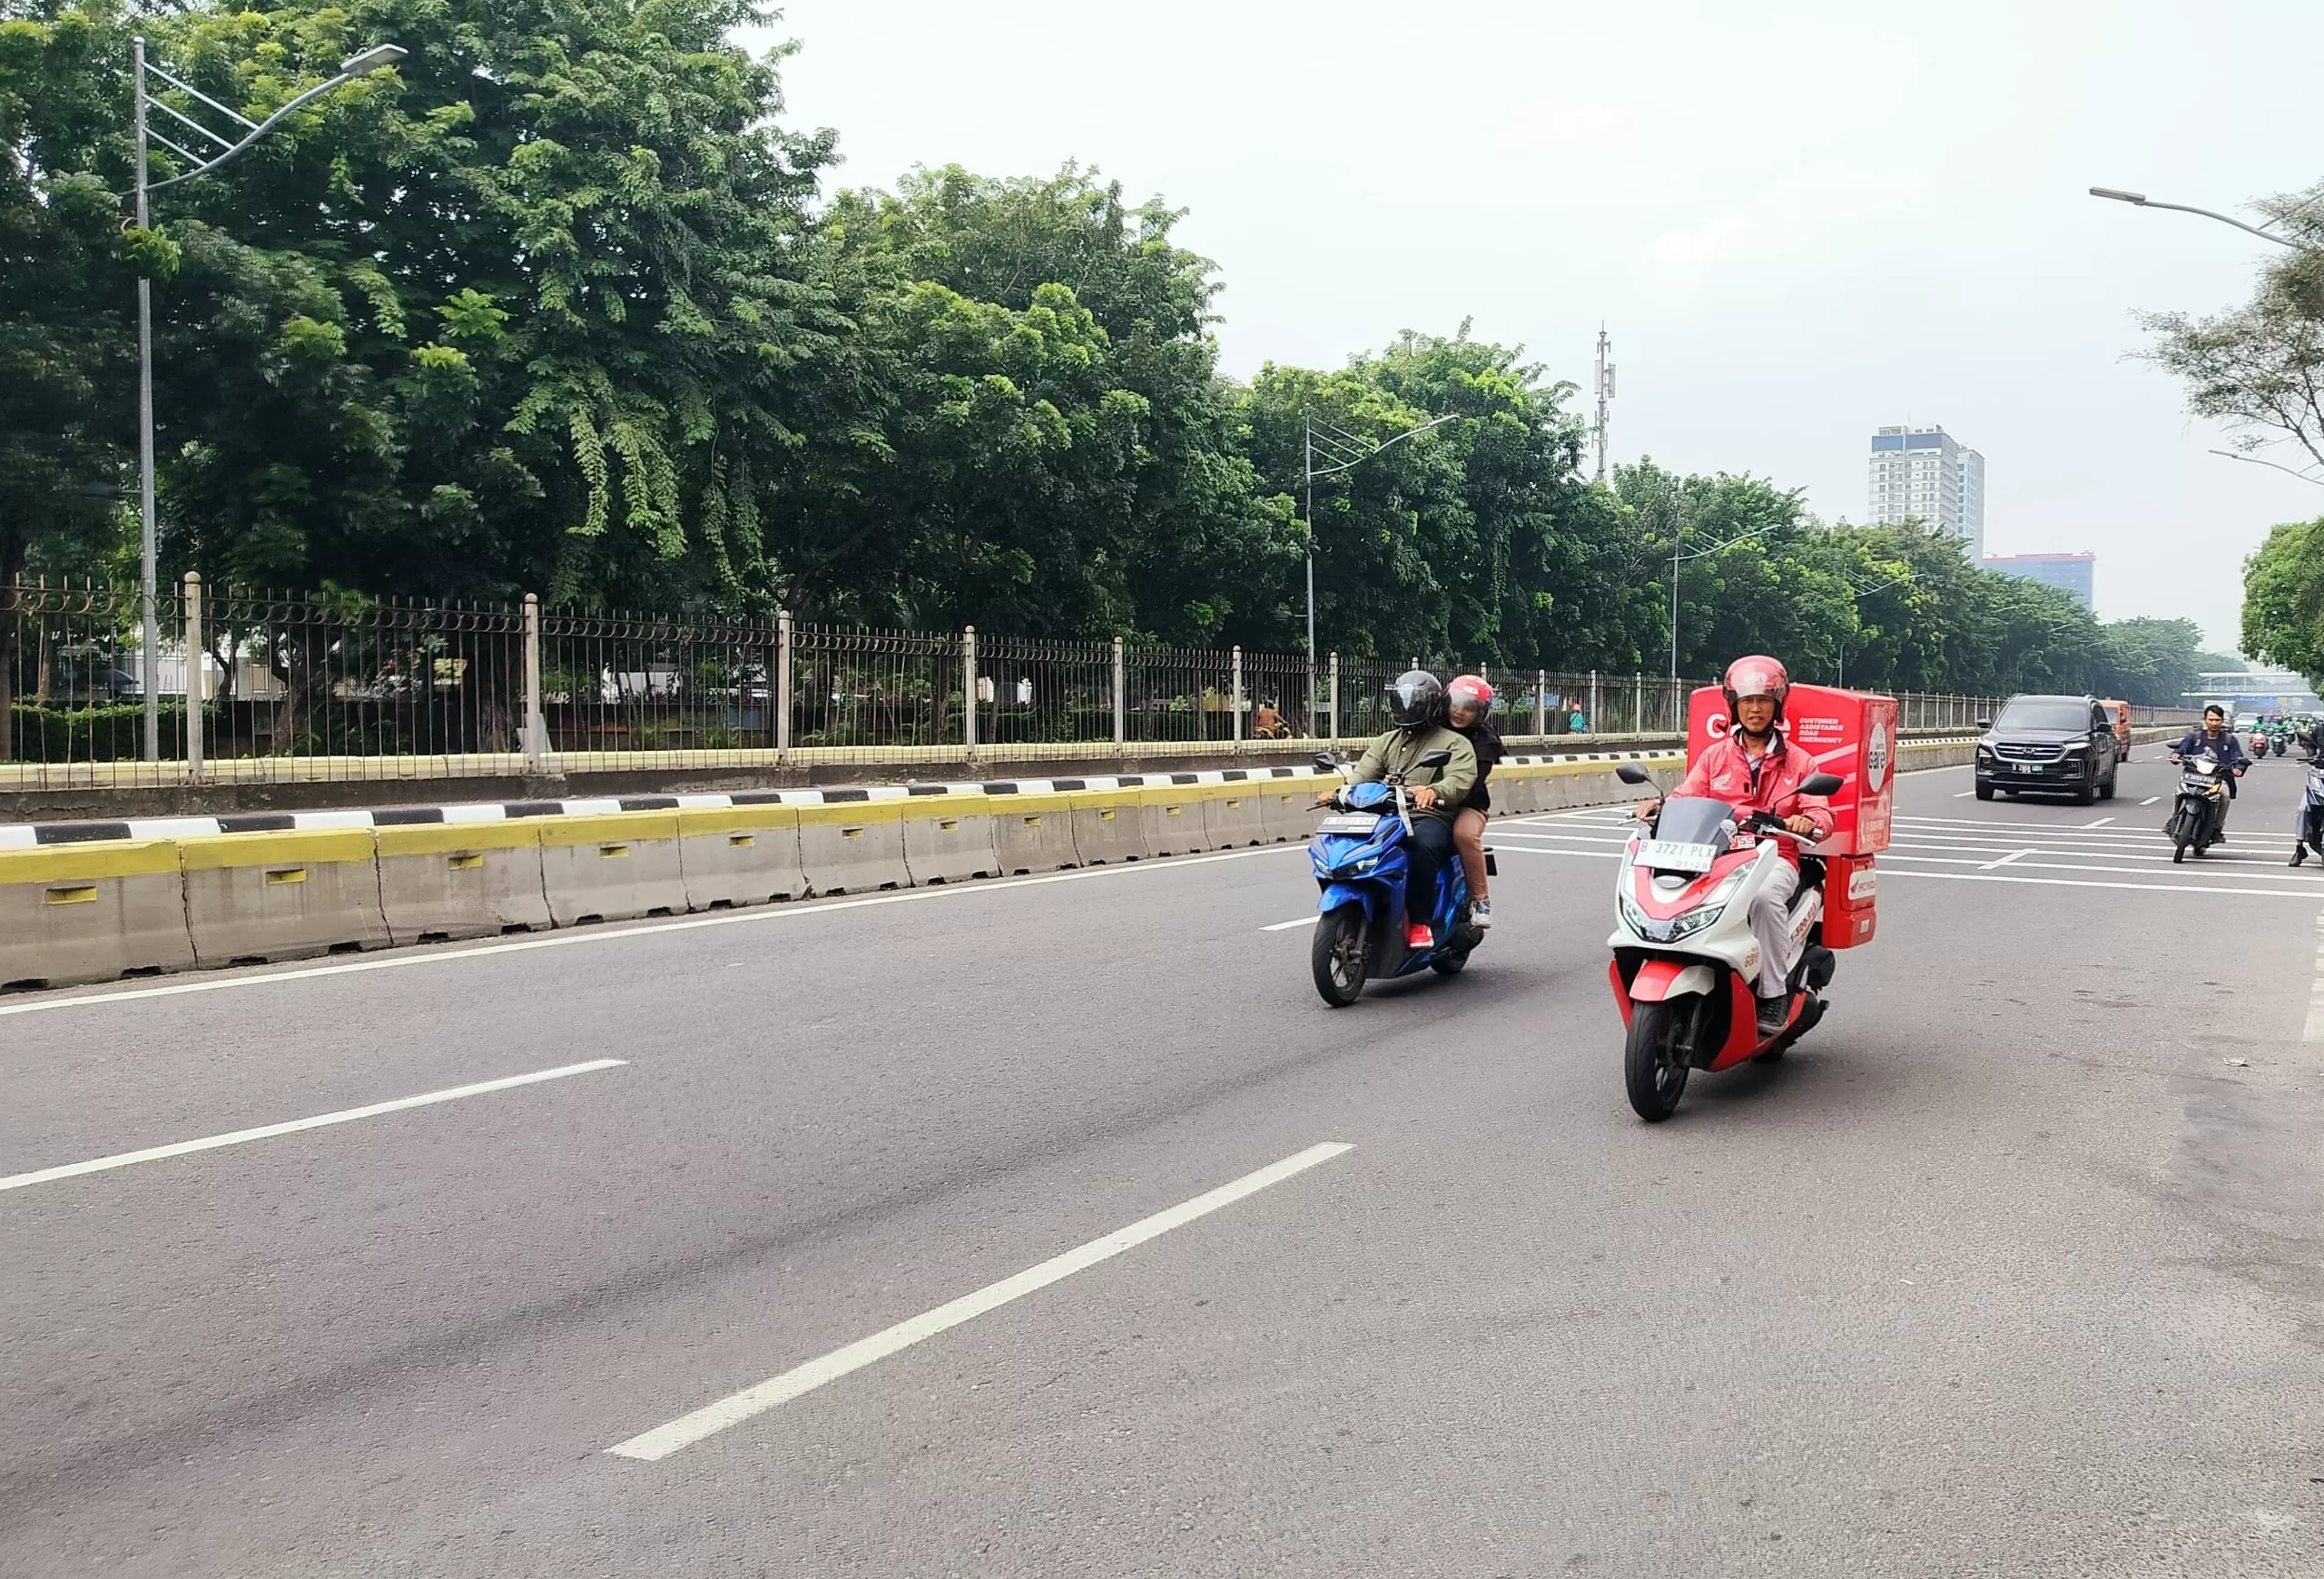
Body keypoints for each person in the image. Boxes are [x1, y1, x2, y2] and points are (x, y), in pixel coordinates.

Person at [1633, 655, 1835, 1036]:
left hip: (1774, 856)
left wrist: (1807, 822)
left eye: (1762, 700)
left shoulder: (1799, 762)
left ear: (1777, 705)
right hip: (1720, 855)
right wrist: (1659, 808)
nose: (1755, 709)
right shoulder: (1715, 756)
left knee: (1763, 899)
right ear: (1734, 706)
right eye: (1746, 701)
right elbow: (1685, 796)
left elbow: (1821, 814)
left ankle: (1773, 993)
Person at [1315, 670, 1478, 950]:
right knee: (1351, 842)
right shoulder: (1387, 741)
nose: (1407, 708)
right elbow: (1364, 772)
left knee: (1421, 846)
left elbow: (1459, 779)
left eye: (1414, 702)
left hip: (1428, 815)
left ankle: (1420, 922)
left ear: (1431, 704)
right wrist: (1341, 791)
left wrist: (1434, 791)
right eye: (1402, 701)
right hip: (1385, 814)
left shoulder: (1453, 742)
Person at [1446, 674, 1503, 928]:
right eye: (1455, 704)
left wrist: (1437, 792)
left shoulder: (1486, 741)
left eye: (1469, 708)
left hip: (1468, 803)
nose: (1459, 712)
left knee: (1465, 835)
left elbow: (1471, 783)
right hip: (1420, 799)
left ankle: (1481, 900)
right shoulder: (1432, 727)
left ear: (1481, 712)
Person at [2171, 705, 2248, 835]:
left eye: (2217, 720)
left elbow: (2237, 758)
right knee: (2179, 791)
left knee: (2225, 796)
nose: (2214, 723)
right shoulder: (2194, 737)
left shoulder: (2230, 740)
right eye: (2211, 719)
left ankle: (2217, 828)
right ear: (2205, 720)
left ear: (2222, 721)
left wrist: (2238, 768)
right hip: (2193, 776)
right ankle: (2173, 821)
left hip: (2218, 778)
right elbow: (2183, 748)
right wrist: (2176, 755)